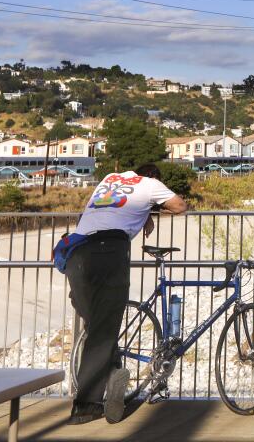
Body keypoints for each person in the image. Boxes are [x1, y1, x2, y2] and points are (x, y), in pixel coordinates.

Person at [60, 162, 186, 424]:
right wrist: (152, 207)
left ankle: (113, 371)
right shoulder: (150, 184)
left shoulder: (110, 177)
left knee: (98, 325)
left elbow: (112, 206)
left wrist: (144, 212)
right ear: (154, 177)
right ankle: (87, 405)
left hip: (77, 252)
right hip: (109, 251)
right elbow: (179, 206)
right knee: (103, 329)